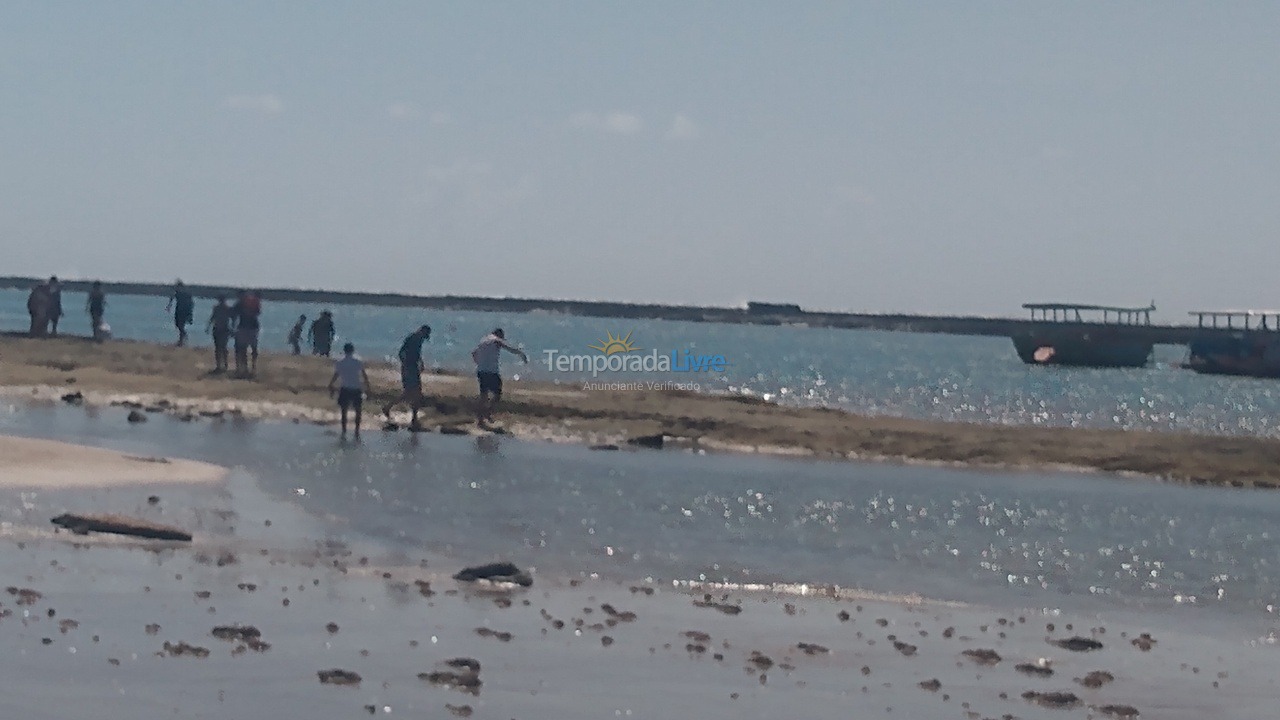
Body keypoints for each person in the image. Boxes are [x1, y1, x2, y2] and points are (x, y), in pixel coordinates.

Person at [471, 328, 527, 426]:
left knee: (483, 395)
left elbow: (474, 353)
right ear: (499, 335)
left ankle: (480, 419)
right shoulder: (496, 340)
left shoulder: (483, 340)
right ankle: (487, 413)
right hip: (492, 372)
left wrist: (480, 363)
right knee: (497, 394)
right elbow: (508, 347)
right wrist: (520, 353)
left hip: (481, 370)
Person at [382, 324, 431, 426]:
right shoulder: (412, 338)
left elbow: (417, 354)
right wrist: (405, 364)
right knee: (410, 392)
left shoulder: (419, 340)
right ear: (422, 331)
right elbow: (401, 352)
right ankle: (388, 407)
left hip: (413, 367)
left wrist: (420, 362)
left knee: (416, 392)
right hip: (409, 368)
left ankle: (413, 417)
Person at [329, 342, 372, 438]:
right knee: (358, 410)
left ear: (344, 351)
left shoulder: (340, 362)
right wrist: (368, 388)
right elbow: (364, 376)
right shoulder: (358, 361)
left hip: (345, 388)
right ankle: (357, 431)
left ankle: (344, 430)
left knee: (344, 411)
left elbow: (336, 375)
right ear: (353, 350)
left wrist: (331, 384)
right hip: (356, 388)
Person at [230, 290, 262, 376]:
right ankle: (251, 367)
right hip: (253, 327)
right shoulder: (252, 302)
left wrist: (233, 328)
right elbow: (258, 313)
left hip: (244, 327)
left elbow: (233, 316)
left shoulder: (239, 304)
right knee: (252, 348)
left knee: (242, 348)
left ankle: (245, 367)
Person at [206, 295, 234, 372]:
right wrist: (208, 327)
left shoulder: (226, 308)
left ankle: (223, 364)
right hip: (219, 329)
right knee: (219, 348)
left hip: (223, 329)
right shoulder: (221, 308)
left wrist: (232, 328)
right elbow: (212, 317)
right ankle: (221, 365)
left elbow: (232, 318)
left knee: (221, 348)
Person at [166, 280, 195, 346]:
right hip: (178, 310)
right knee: (178, 325)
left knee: (181, 325)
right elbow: (172, 298)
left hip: (184, 311)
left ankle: (182, 340)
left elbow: (191, 303)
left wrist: (190, 313)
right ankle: (182, 339)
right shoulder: (177, 293)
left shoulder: (186, 294)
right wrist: (169, 306)